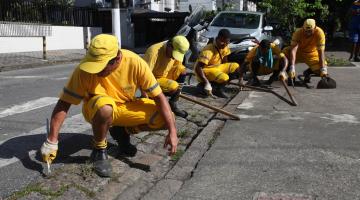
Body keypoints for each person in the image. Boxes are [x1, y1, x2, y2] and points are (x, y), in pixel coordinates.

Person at [40, 34, 178, 178]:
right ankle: (99, 150)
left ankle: (124, 131)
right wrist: (52, 140)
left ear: (117, 59)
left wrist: (172, 132)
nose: (96, 71)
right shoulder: (83, 70)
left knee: (168, 118)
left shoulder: (135, 62)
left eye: (101, 66)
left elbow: (159, 98)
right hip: (96, 109)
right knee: (105, 108)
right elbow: (64, 103)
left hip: (125, 106)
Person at [143, 35, 190, 118]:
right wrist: (145, 97)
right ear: (169, 45)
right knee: (174, 86)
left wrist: (177, 92)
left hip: (165, 75)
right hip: (153, 79)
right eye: (174, 53)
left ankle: (173, 103)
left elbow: (178, 67)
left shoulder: (173, 50)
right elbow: (143, 76)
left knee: (182, 70)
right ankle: (155, 99)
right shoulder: (153, 52)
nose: (173, 57)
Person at [194, 28, 240, 98]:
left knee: (236, 66)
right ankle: (214, 88)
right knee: (224, 77)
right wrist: (206, 82)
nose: (224, 44)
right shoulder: (208, 50)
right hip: (205, 70)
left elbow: (225, 61)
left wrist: (239, 77)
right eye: (222, 41)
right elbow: (198, 67)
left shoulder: (225, 46)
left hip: (217, 67)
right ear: (218, 38)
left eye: (226, 42)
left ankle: (217, 86)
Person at [283, 19, 329, 84]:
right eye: (306, 31)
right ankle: (291, 77)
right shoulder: (298, 32)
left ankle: (307, 72)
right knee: (283, 56)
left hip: (311, 54)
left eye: (310, 31)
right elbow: (293, 50)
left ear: (315, 28)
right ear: (303, 28)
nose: (308, 33)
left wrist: (323, 69)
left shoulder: (320, 33)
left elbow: (321, 52)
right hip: (299, 52)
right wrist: (292, 67)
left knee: (322, 68)